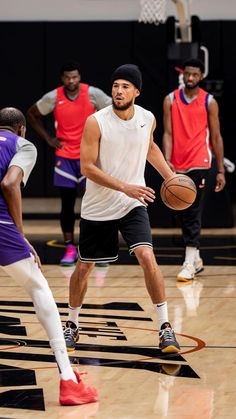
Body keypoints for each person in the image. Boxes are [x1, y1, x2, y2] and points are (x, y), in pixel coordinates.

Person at [63, 63, 180, 354]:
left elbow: (149, 146)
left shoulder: (147, 118)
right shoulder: (96, 121)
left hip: (132, 205)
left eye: (125, 86)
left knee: (146, 255)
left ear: (136, 91)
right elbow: (87, 167)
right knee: (85, 267)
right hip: (98, 208)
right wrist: (125, 186)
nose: (118, 90)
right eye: (116, 85)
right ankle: (72, 324)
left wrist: (170, 177)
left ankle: (165, 327)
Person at [0, 107, 98, 405]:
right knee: (39, 289)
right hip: (3, 227)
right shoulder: (22, 145)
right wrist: (19, 233)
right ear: (22, 129)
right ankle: (68, 378)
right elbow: (9, 183)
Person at [27, 61, 111, 266]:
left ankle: (94, 248)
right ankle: (70, 248)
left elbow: (114, 111)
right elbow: (31, 114)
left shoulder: (93, 94)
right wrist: (48, 139)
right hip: (65, 158)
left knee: (93, 204)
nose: (71, 80)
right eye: (67, 77)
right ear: (62, 78)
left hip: (89, 156)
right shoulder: (54, 97)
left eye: (74, 77)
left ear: (79, 77)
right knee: (67, 205)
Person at [163, 58, 226, 282]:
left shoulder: (209, 102)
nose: (190, 78)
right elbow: (168, 133)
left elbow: (216, 137)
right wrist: (167, 160)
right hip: (177, 163)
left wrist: (220, 170)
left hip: (201, 162)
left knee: (192, 213)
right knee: (181, 212)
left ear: (201, 76)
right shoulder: (170, 100)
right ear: (184, 75)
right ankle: (197, 259)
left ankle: (188, 263)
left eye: (195, 75)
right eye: (187, 74)